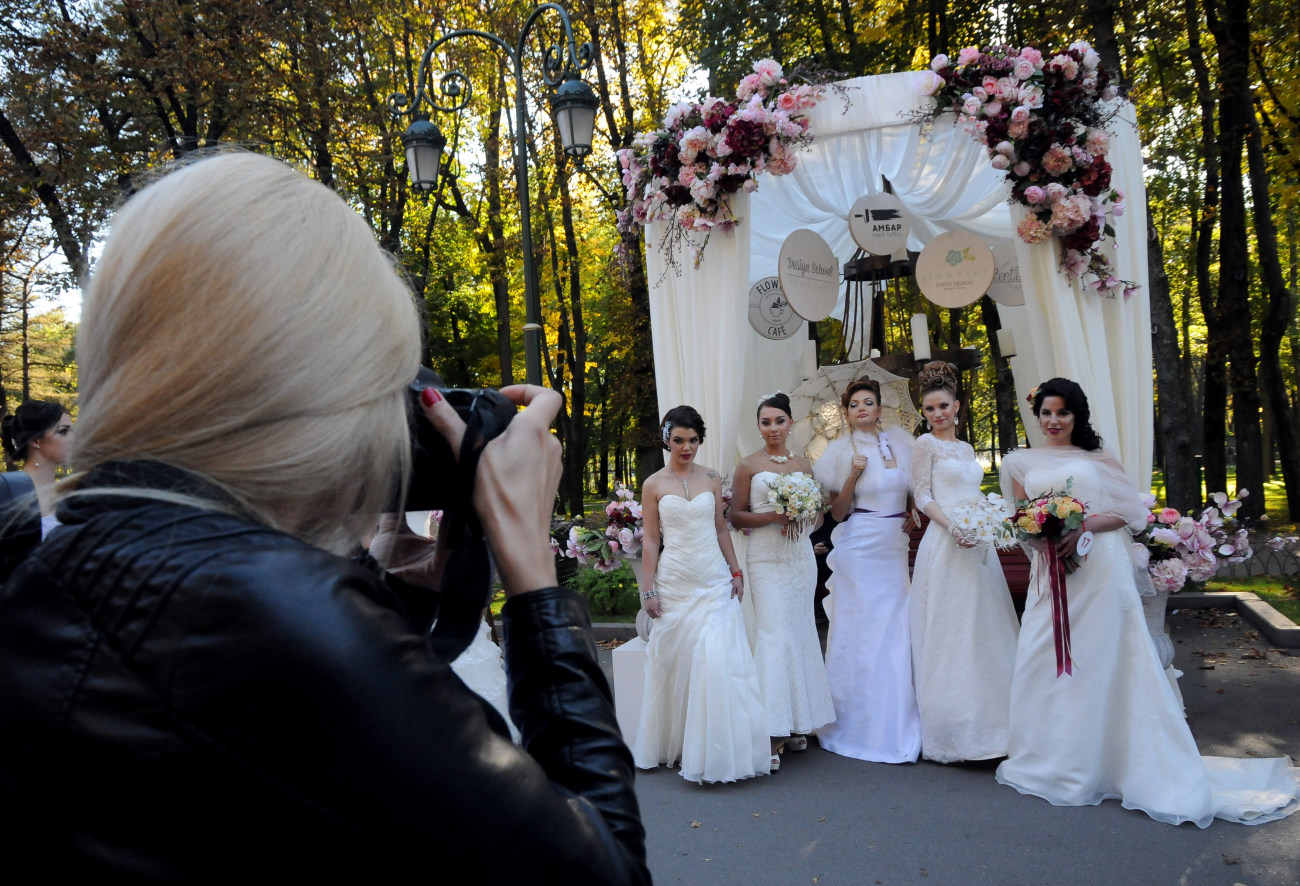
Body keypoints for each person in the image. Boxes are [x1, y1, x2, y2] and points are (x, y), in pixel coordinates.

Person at [0, 152, 650, 882]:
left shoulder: (50, 568)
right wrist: (533, 578)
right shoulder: (264, 613)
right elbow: (603, 871)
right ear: (319, 392)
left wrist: (407, 582)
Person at [997, 377, 1300, 826]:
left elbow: (1130, 512)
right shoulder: (1019, 461)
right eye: (1045, 413)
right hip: (1053, 571)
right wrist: (1041, 539)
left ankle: (1119, 761)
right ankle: (1055, 759)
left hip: (1099, 568)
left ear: (1076, 415)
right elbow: (1019, 516)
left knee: (1106, 659)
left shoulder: (1097, 458)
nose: (1053, 421)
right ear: (1036, 415)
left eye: (1062, 412)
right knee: (1046, 652)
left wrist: (1082, 528)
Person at [633, 405, 770, 783]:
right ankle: (675, 745)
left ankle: (722, 751)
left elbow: (721, 529)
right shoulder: (653, 484)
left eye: (693, 440)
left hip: (712, 578)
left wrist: (735, 570)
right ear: (666, 440)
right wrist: (648, 589)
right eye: (678, 440)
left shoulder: (711, 477)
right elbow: (650, 539)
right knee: (673, 662)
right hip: (675, 579)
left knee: (717, 658)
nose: (686, 447)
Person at [908, 362, 1019, 763]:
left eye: (943, 406)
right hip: (946, 540)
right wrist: (954, 527)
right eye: (930, 409)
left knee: (983, 627)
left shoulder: (968, 449)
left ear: (957, 407)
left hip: (978, 545)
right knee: (951, 628)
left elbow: (973, 494)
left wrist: (984, 523)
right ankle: (954, 727)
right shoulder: (925, 445)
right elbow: (922, 496)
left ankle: (998, 722)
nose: (936, 414)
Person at [811, 377, 920, 763]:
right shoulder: (837, 454)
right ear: (847, 412)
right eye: (854, 403)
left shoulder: (904, 445)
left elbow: (913, 494)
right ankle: (852, 717)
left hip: (893, 545)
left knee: (894, 624)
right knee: (860, 626)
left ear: (878, 408)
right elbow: (837, 513)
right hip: (859, 543)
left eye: (868, 402)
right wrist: (853, 475)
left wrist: (913, 514)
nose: (861, 409)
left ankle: (895, 712)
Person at [728, 392, 835, 770]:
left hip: (799, 558)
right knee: (773, 636)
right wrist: (775, 517)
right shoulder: (748, 465)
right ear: (758, 426)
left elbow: (819, 516)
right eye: (765, 422)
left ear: (790, 423)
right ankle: (771, 731)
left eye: (779, 421)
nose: (772, 428)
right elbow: (735, 516)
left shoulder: (804, 464)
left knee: (801, 632)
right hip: (766, 558)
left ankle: (798, 722)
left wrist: (805, 516)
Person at [1, 399, 73, 535]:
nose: (73, 438)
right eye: (63, 432)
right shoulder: (9, 493)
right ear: (35, 440)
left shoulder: (70, 495)